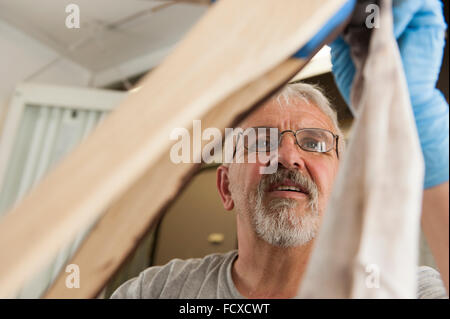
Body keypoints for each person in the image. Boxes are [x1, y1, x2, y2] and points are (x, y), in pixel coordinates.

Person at [111, 0, 448, 299]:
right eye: (261, 143)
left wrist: (415, 119)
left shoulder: (404, 290)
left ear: (342, 183)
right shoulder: (156, 291)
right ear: (225, 187)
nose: (287, 158)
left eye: (314, 143)